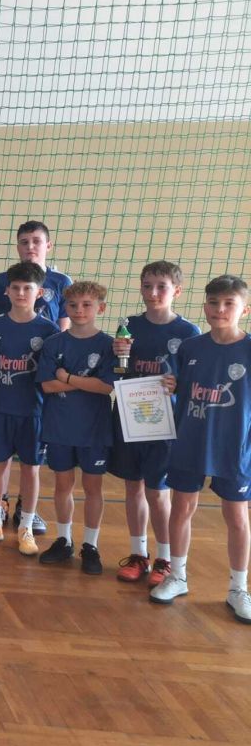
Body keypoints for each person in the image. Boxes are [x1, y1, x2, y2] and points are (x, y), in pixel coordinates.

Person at [150, 274, 251, 624]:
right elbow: (179, 388)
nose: (219, 309)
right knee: (181, 507)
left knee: (237, 517)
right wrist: (171, 385)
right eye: (213, 302)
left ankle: (238, 588)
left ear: (244, 309)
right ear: (204, 305)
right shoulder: (191, 347)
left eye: (229, 303)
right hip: (190, 441)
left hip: (234, 448)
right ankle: (177, 576)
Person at [109, 261, 199, 586]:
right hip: (129, 417)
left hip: (164, 424)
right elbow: (118, 372)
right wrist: (116, 357)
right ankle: (138, 555)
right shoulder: (128, 326)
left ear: (177, 290)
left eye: (161, 286)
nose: (153, 292)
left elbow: (194, 383)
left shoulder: (188, 333)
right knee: (132, 487)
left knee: (158, 492)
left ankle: (164, 558)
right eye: (147, 286)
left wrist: (179, 385)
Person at [0, 220, 72, 531]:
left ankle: (26, 511)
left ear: (48, 245)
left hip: (39, 389)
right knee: (0, 457)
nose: (30, 246)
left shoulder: (62, 282)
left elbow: (63, 336)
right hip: (6, 392)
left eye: (36, 241)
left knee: (32, 460)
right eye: (24, 241)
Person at [0, 263, 58, 555]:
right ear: (7, 291)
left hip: (33, 411)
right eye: (16, 288)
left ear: (39, 293)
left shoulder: (48, 330)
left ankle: (26, 528)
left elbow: (50, 373)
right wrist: (1, 389)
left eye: (27, 288)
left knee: (31, 469)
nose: (21, 293)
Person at [35, 281, 118, 574]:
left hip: (94, 428)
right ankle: (64, 540)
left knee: (93, 487)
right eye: (73, 305)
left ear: (100, 308)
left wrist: (68, 378)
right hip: (59, 425)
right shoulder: (54, 343)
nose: (79, 310)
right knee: (62, 485)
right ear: (65, 307)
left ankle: (90, 546)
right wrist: (85, 383)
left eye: (86, 305)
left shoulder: (108, 345)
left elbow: (106, 386)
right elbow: (47, 385)